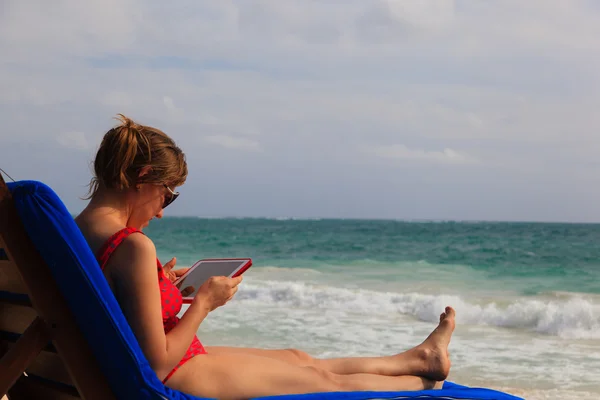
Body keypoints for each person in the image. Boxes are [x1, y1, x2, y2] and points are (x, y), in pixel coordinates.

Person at [75, 114, 456, 400]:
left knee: (298, 356)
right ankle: (428, 387)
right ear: (143, 177)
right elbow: (156, 366)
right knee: (323, 383)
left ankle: (420, 358)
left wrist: (160, 285)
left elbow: (112, 297)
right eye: (168, 194)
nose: (161, 211)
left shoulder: (76, 230)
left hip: (126, 364)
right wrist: (203, 303)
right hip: (176, 372)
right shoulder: (134, 245)